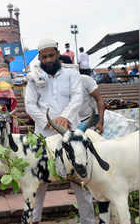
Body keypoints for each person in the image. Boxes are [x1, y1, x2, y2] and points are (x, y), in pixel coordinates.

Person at [25, 39, 95, 224]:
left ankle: (88, 220)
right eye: (44, 56)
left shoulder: (72, 74)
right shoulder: (34, 77)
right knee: (39, 178)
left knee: (80, 176)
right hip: (45, 133)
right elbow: (30, 104)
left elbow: (77, 98)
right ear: (39, 57)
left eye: (51, 55)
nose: (48, 59)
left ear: (57, 54)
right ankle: (34, 218)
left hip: (70, 131)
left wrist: (64, 118)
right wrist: (46, 121)